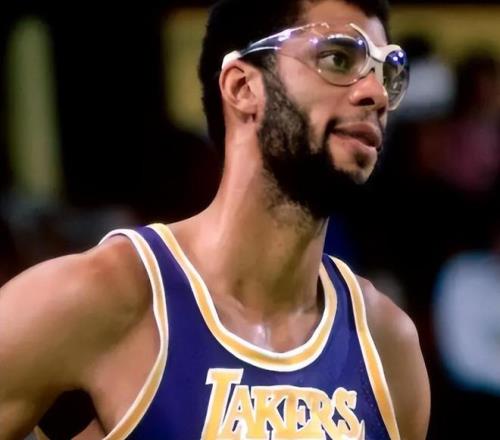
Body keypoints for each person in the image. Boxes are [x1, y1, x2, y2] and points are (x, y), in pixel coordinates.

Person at [0, 0, 430, 438]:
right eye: (338, 59)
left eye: (385, 74)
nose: (376, 94)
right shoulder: (105, 296)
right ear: (242, 87)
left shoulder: (387, 344)